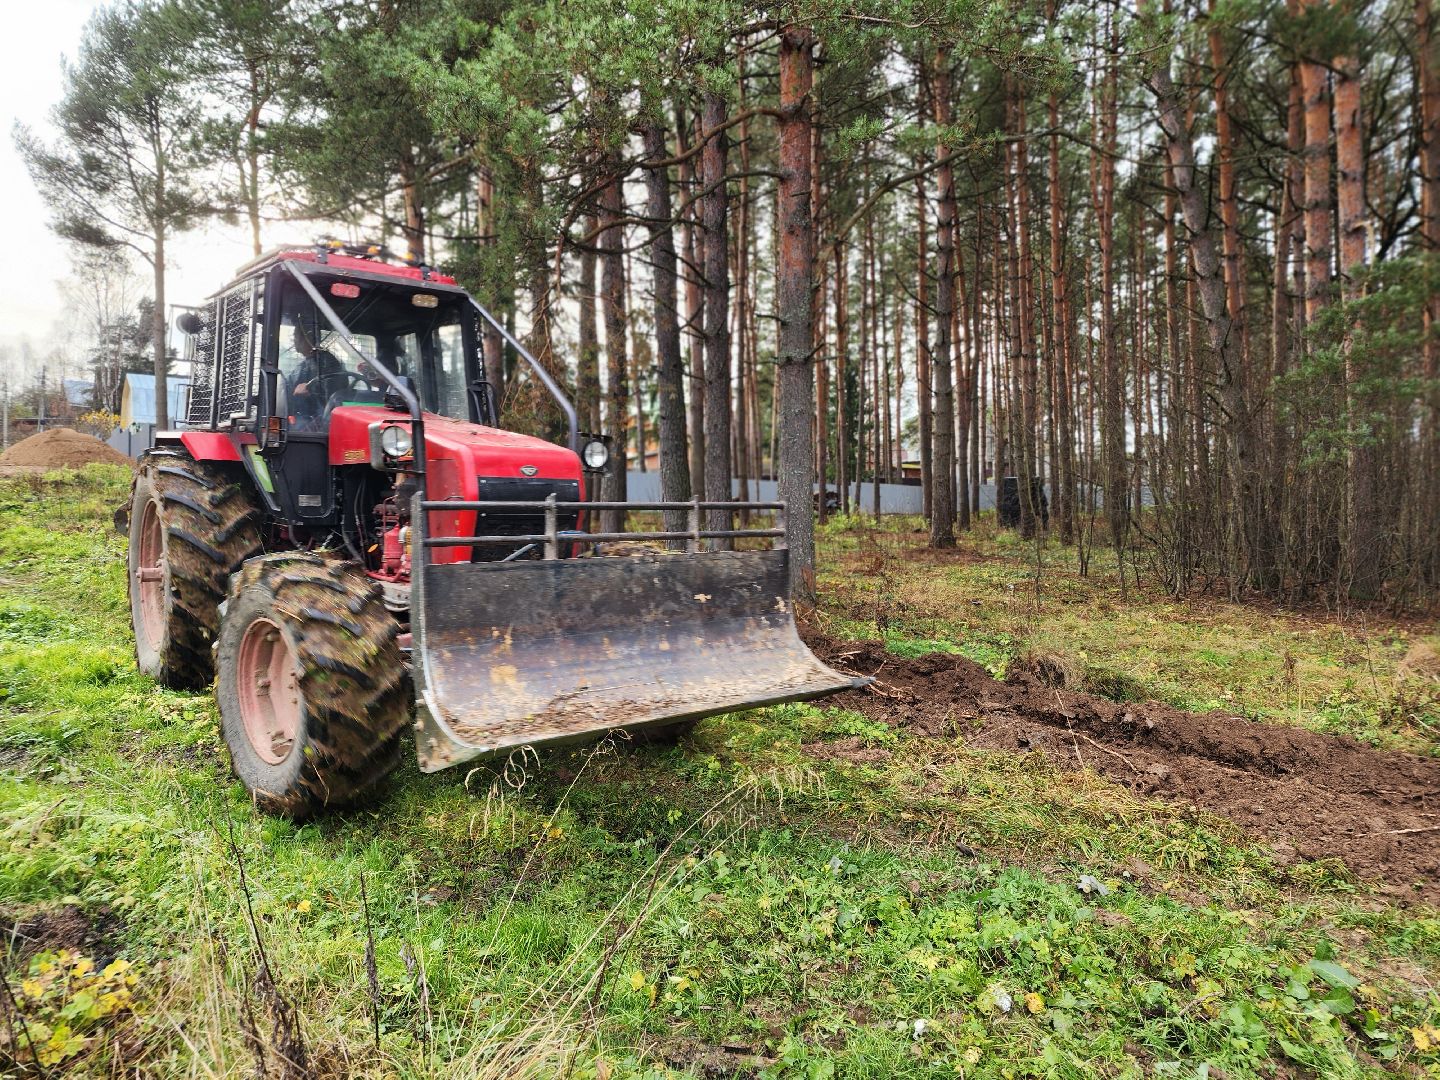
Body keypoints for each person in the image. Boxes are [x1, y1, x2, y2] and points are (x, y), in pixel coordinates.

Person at [286, 321, 344, 426]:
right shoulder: (306, 363)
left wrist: (310, 390)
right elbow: (289, 386)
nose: (294, 340)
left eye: (296, 336)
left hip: (321, 418)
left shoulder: (326, 361)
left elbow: (331, 392)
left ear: (307, 336)